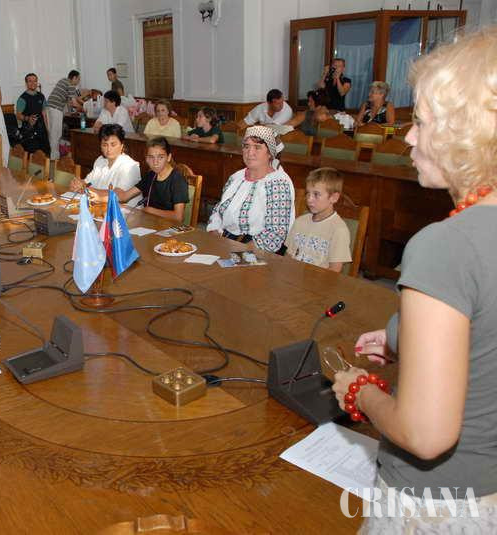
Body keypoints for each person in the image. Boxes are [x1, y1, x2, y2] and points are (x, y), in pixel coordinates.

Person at [331, 28, 497, 532]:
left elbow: (426, 435)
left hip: (438, 505)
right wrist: (403, 336)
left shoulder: (444, 245)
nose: (407, 137)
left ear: (463, 132)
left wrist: (360, 390)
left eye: (420, 122)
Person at [206, 125, 294, 254]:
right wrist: (214, 234)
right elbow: (219, 210)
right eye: (246, 146)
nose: (250, 152)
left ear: (270, 153)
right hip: (227, 242)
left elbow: (275, 234)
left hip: (258, 251)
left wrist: (239, 251)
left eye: (257, 147)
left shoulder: (278, 184)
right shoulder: (236, 177)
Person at [91, 137, 188, 222]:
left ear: (169, 157)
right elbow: (124, 196)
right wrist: (97, 196)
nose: (155, 162)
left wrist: (150, 210)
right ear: (146, 159)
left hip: (169, 227)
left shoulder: (177, 179)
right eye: (151, 157)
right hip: (151, 223)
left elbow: (178, 217)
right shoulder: (151, 175)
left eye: (160, 157)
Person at [284, 167, 351, 272]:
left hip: (319, 280)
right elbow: (288, 257)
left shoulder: (339, 230)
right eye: (308, 193)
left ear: (334, 198)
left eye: (316, 194)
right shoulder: (300, 222)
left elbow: (334, 271)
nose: (309, 199)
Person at [69, 124, 141, 206]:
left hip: (126, 211)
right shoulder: (100, 160)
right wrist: (78, 184)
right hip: (102, 207)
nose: (109, 149)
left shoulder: (130, 166)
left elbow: (120, 195)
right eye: (105, 145)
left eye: (113, 145)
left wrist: (87, 189)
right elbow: (87, 183)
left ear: (122, 145)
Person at [46, 70, 84, 159]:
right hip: (56, 109)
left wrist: (70, 112)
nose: (78, 82)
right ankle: (54, 159)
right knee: (56, 134)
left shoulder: (63, 80)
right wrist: (83, 108)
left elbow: (68, 101)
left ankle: (53, 156)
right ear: (74, 78)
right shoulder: (71, 85)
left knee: (52, 133)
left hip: (50, 108)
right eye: (78, 79)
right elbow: (74, 102)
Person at [15, 72, 51, 155]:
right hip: (29, 131)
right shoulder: (22, 98)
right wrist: (28, 118)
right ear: (26, 83)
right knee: (32, 156)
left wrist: (47, 129)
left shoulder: (41, 96)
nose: (33, 83)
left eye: (35, 81)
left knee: (46, 153)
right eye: (30, 81)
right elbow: (18, 115)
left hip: (42, 130)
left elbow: (44, 113)